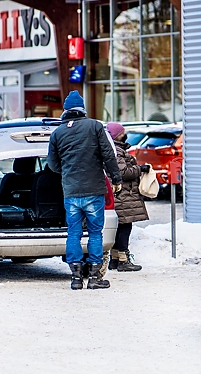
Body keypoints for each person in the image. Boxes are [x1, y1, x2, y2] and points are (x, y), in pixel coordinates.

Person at [47, 90, 122, 290]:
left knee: (74, 233)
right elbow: (108, 155)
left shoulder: (57, 133)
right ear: (82, 109)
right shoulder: (95, 127)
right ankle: (95, 277)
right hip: (94, 190)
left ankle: (76, 278)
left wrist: (69, 172)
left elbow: (53, 165)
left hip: (71, 192)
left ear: (65, 110)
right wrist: (116, 178)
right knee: (96, 233)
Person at [105, 122, 151, 272]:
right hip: (123, 194)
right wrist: (141, 169)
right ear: (118, 135)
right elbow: (122, 173)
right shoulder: (117, 151)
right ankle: (123, 261)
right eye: (122, 133)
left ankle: (115, 259)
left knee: (120, 226)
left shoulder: (113, 149)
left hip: (120, 193)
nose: (125, 135)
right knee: (125, 226)